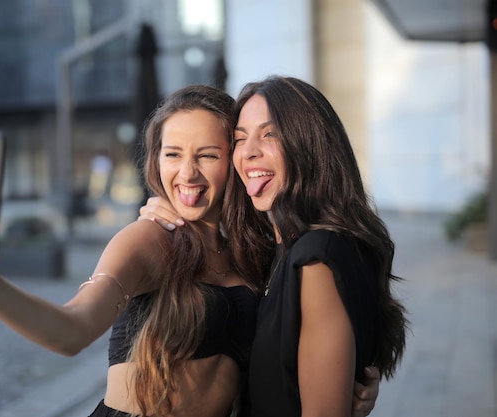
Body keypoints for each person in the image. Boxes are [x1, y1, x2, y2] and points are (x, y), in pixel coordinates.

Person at [0, 84, 379, 417]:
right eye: (172, 154)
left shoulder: (260, 253)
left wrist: (348, 392)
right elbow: (71, 329)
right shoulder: (148, 238)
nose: (187, 173)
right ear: (155, 160)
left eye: (207, 154)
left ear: (233, 159)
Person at [140, 76, 407, 417]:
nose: (249, 151)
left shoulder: (316, 257)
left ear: (308, 145)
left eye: (269, 134)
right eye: (239, 139)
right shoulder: (278, 255)